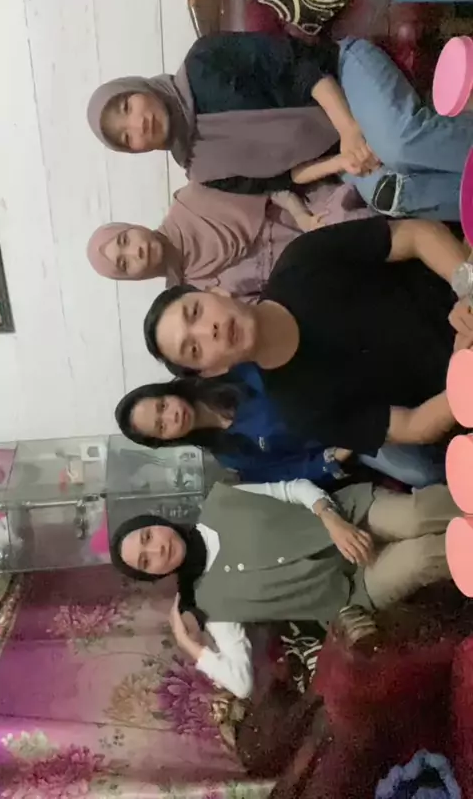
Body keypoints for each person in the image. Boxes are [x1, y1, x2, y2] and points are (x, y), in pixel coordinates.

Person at [143, 215, 473, 453]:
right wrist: (464, 374)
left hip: (460, 283)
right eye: (194, 348)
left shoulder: (302, 260)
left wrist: (467, 291)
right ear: (213, 371)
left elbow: (414, 235)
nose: (209, 330)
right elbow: (413, 426)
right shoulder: (300, 412)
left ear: (217, 292)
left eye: (196, 312)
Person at [109, 477, 459, 698]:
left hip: (351, 516)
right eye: (146, 561)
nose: (157, 550)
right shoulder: (211, 607)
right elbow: (242, 684)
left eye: (148, 536)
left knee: (415, 516)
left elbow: (292, 489)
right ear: (154, 575)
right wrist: (191, 646)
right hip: (355, 587)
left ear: (156, 523)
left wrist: (331, 519)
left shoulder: (221, 501)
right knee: (419, 558)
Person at [87, 32, 473, 219]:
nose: (138, 125)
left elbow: (299, 68)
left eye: (127, 106)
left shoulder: (204, 60)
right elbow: (288, 178)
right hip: (339, 150)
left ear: (137, 87)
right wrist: (343, 161)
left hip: (342, 75)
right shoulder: (201, 170)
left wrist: (350, 131)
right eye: (127, 137)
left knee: (398, 145)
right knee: (389, 195)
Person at [115, 367, 446, 488]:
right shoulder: (231, 455)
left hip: (345, 388)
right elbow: (293, 471)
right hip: (350, 437)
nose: (171, 417)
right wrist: (340, 452)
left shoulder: (225, 374)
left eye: (162, 406)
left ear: (166, 392)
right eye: (161, 426)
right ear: (166, 440)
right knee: (421, 473)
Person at [86, 181, 370, 303]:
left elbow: (269, 186)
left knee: (356, 227)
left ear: (132, 226)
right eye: (125, 264)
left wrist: (303, 218)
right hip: (316, 284)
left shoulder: (194, 198)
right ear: (133, 278)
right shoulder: (187, 299)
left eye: (125, 239)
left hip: (315, 217)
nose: (136, 251)